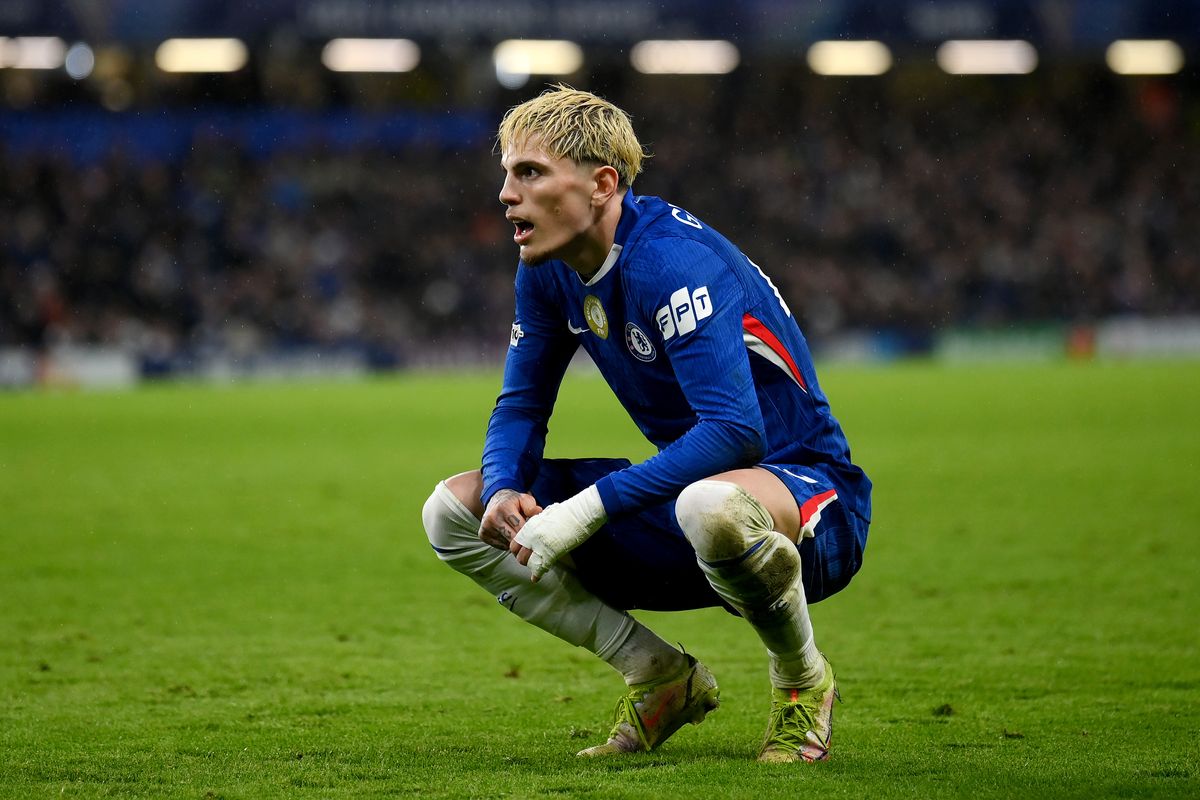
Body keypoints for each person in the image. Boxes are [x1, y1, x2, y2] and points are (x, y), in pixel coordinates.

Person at [421, 86, 872, 763]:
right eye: (507, 173)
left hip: (810, 505)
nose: (506, 194)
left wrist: (583, 512)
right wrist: (507, 485)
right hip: (687, 511)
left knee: (713, 505)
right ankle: (660, 677)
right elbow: (520, 404)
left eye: (530, 173)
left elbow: (735, 433)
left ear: (603, 184)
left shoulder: (670, 262)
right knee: (456, 510)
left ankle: (803, 682)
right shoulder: (546, 271)